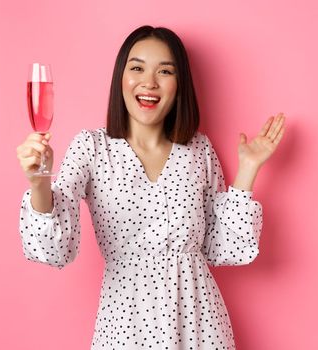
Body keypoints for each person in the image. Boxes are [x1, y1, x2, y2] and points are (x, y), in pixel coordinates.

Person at [15, 25, 285, 349]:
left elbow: (221, 249)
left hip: (199, 327)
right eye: (137, 68)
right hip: (124, 326)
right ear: (121, 78)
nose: (149, 82)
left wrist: (249, 170)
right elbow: (54, 249)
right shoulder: (92, 147)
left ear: (179, 84)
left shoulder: (199, 149)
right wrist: (39, 180)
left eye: (165, 71)